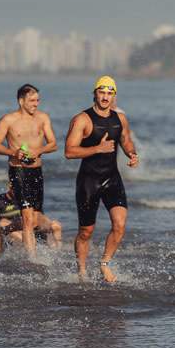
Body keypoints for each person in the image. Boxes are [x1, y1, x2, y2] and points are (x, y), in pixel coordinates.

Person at [65, 76, 139, 282]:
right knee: (86, 231)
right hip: (89, 182)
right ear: (95, 93)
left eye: (109, 93)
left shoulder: (120, 119)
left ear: (114, 96)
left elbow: (126, 141)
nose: (105, 97)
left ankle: (104, 263)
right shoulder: (82, 119)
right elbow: (69, 151)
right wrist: (98, 148)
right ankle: (81, 271)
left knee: (120, 224)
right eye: (102, 92)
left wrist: (132, 154)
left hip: (112, 178)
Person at [0, 83, 59, 259]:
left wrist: (38, 151)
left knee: (35, 219)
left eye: (37, 100)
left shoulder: (43, 118)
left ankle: (6, 229)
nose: (36, 104)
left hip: (37, 171)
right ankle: (32, 259)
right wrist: (13, 152)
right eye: (32, 100)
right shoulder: (8, 120)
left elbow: (53, 144)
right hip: (18, 171)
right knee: (27, 217)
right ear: (21, 101)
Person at [0, 183, 62, 253]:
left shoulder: (28, 199)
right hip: (11, 232)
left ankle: (57, 252)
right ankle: (30, 253)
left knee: (56, 225)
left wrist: (48, 224)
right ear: (10, 187)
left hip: (29, 227)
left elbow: (38, 216)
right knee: (2, 223)